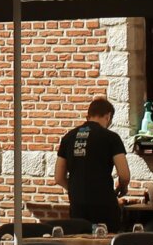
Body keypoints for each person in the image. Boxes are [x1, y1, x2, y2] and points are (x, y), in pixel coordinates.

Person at [54, 96, 130, 228]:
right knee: (106, 243)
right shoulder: (111, 138)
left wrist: (74, 189)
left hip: (77, 204)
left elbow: (59, 177)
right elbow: (124, 175)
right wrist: (122, 187)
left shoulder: (68, 137)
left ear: (88, 116)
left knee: (80, 242)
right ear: (108, 116)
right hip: (104, 203)